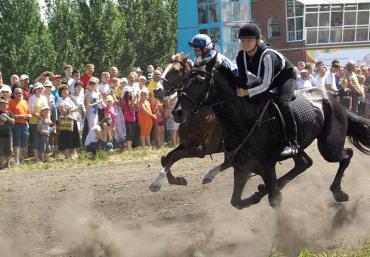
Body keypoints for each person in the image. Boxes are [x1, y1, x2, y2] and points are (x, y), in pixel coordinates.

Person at [235, 23, 299, 157]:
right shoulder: (241, 56)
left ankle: (293, 143)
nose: (245, 43)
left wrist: (246, 92)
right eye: (243, 40)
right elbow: (242, 79)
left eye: (249, 40)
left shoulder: (268, 56)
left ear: (257, 40)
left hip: (286, 77)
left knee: (283, 102)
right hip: (268, 78)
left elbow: (265, 86)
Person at [57, 84, 80, 159]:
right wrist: (72, 110)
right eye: (64, 90)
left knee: (74, 137)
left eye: (67, 90)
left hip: (73, 119)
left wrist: (72, 110)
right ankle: (67, 155)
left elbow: (75, 107)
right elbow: (63, 112)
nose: (66, 92)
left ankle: (73, 154)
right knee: (67, 137)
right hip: (65, 121)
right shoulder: (60, 100)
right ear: (61, 92)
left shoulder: (69, 99)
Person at [9, 87, 31, 165]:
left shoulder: (25, 102)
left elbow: (29, 113)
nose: (18, 94)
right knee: (16, 142)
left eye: (19, 93)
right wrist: (18, 116)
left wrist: (28, 116)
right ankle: (16, 159)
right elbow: (9, 115)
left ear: (22, 93)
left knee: (23, 142)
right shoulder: (11, 102)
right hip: (16, 124)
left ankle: (21, 159)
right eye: (16, 93)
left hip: (24, 124)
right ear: (13, 94)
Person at [28, 82, 48, 162]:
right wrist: (41, 117)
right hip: (34, 122)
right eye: (38, 88)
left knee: (43, 140)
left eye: (41, 88)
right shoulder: (32, 98)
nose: (40, 90)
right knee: (36, 140)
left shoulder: (44, 98)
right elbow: (32, 111)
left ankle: (42, 158)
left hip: (43, 122)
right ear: (35, 90)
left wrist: (47, 119)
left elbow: (47, 109)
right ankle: (36, 158)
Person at [0, 98, 15, 168]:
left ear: (7, 106)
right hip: (1, 135)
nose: (3, 106)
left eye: (4, 105)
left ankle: (8, 164)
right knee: (1, 150)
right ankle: (2, 164)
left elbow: (13, 122)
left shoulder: (9, 113)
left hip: (8, 134)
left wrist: (7, 117)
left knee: (9, 149)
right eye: (1, 105)